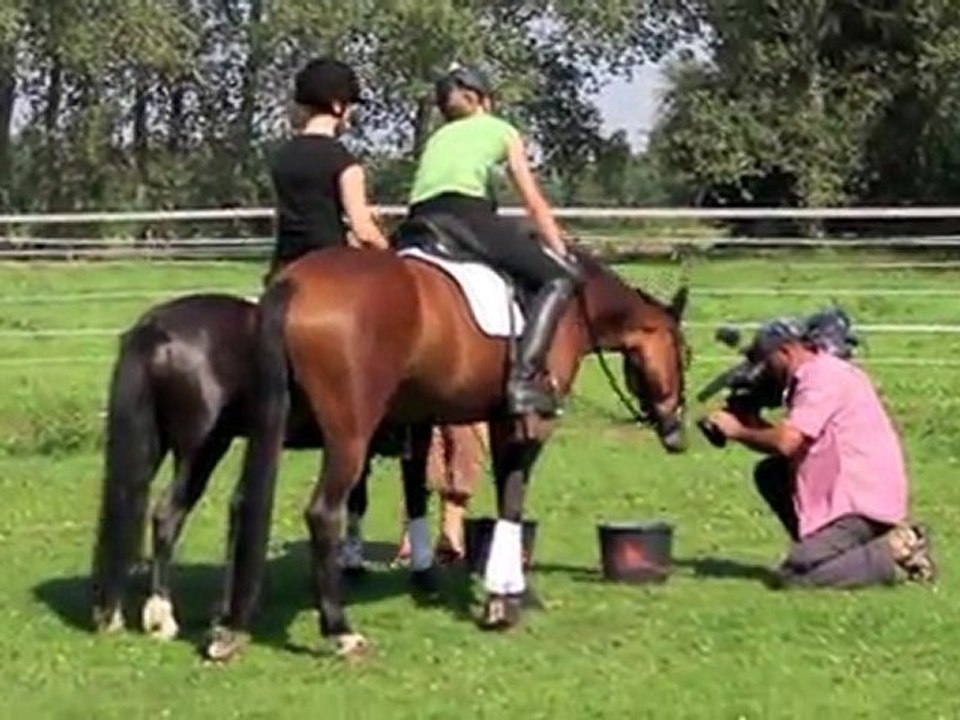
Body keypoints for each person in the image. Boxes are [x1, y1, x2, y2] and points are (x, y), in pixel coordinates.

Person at [406, 63, 581, 417]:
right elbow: (532, 199)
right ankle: (524, 380)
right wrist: (560, 250)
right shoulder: (501, 129)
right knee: (558, 279)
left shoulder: (437, 138)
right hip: (465, 217)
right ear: (481, 99)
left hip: (418, 221)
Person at [706, 319, 936, 589]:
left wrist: (738, 430)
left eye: (767, 362)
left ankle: (893, 553)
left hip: (857, 501)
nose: (765, 371)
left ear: (786, 352)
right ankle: (824, 551)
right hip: (859, 493)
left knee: (794, 577)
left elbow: (787, 443)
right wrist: (749, 423)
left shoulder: (820, 378)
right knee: (771, 472)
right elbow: (790, 440)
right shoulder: (826, 372)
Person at [266, 56, 387, 283]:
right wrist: (392, 254)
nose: (351, 114)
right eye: (350, 107)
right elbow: (362, 230)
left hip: (283, 272)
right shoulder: (344, 162)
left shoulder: (282, 156)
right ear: (337, 106)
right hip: (331, 268)